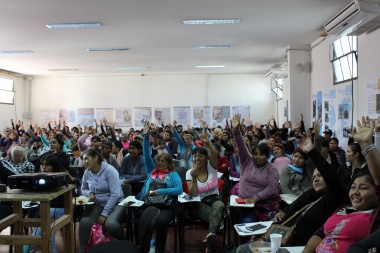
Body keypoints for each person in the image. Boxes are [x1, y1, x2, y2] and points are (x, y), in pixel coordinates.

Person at [302, 116, 380, 253]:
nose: (355, 192)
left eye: (363, 188)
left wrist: (367, 144)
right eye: (353, 187)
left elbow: (332, 178)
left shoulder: (375, 215)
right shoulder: (343, 207)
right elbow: (320, 232)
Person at [134, 121, 182, 253]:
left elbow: (179, 190)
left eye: (163, 161)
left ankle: (159, 249)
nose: (160, 163)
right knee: (138, 219)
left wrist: (159, 191)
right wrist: (145, 137)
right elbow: (146, 156)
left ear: (169, 163)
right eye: (158, 161)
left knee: (160, 222)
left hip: (166, 206)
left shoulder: (173, 175)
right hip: (149, 204)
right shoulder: (152, 172)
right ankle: (142, 247)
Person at [231, 114, 280, 225]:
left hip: (265, 205)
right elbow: (241, 147)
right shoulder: (247, 161)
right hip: (246, 204)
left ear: (267, 156)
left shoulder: (272, 168)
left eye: (261, 154)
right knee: (247, 223)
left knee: (272, 225)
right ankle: (246, 243)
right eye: (255, 154)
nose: (258, 157)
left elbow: (272, 189)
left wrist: (255, 198)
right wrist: (236, 131)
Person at [186, 127, 224, 253]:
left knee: (219, 205)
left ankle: (210, 237)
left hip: (214, 200)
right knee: (217, 214)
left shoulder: (212, 167)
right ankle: (213, 236)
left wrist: (208, 142)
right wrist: (194, 178)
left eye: (200, 156)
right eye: (195, 156)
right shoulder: (189, 172)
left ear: (206, 158)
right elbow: (192, 193)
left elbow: (213, 153)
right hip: (198, 204)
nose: (197, 159)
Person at [79, 148, 125, 253]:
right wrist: (88, 193)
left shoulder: (110, 170)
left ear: (95, 158)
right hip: (98, 204)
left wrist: (104, 214)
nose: (84, 162)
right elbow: (83, 188)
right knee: (85, 222)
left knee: (111, 224)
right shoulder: (87, 172)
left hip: (116, 203)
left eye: (86, 159)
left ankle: (124, 242)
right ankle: (83, 250)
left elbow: (115, 194)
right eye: (83, 159)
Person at [30, 154, 70, 253]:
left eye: (47, 165)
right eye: (42, 164)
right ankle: (50, 250)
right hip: (47, 210)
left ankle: (30, 245)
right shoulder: (40, 178)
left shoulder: (62, 177)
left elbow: (65, 201)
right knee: (47, 218)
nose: (43, 167)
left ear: (54, 166)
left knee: (47, 214)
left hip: (65, 208)